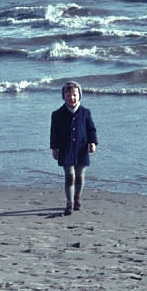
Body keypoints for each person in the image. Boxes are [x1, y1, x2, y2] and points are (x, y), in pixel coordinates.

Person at [50, 81, 98, 216]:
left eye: (74, 95)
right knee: (69, 176)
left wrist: (93, 142)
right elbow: (54, 133)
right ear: (64, 96)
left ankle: (77, 199)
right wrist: (54, 148)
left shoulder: (85, 112)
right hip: (65, 149)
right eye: (68, 95)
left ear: (79, 96)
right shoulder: (57, 114)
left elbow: (91, 129)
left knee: (80, 176)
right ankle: (69, 203)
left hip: (81, 148)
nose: (72, 98)